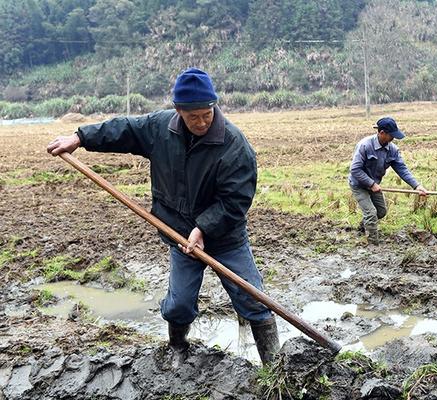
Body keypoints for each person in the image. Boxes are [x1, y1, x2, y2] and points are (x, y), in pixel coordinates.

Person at [47, 68, 280, 365]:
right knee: (179, 305)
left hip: (225, 238)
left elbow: (235, 202)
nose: (201, 122)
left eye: (206, 114)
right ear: (179, 111)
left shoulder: (234, 146)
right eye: (193, 116)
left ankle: (274, 368)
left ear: (214, 106)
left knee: (254, 301)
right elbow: (124, 130)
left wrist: (204, 229)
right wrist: (79, 137)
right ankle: (178, 351)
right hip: (180, 235)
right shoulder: (160, 128)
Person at [348, 117, 427, 245]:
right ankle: (373, 245)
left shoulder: (392, 149)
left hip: (374, 185)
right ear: (382, 133)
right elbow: (355, 170)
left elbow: (402, 169)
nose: (393, 139)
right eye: (391, 135)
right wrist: (371, 184)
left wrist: (417, 186)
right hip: (359, 185)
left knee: (381, 212)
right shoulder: (365, 145)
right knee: (371, 213)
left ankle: (364, 226)